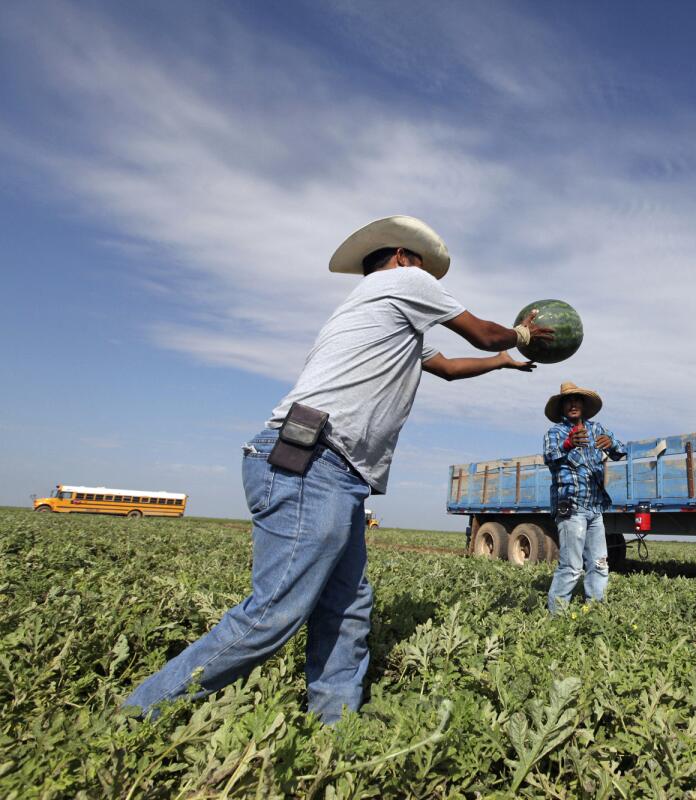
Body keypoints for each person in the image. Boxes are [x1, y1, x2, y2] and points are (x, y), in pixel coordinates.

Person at [124, 215, 551, 724]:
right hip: (312, 460)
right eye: (425, 268)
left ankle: (334, 727)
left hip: (329, 468)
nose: (431, 279)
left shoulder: (383, 317)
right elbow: (480, 333)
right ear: (402, 258)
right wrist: (524, 334)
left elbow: (451, 366)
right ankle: (134, 717)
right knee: (271, 615)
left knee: (348, 606)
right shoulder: (404, 285)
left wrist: (503, 362)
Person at [543, 382, 626, 614]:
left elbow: (620, 450)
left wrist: (612, 444)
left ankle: (595, 610)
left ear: (583, 405)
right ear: (562, 408)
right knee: (571, 566)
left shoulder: (597, 429)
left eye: (577, 400)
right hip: (571, 506)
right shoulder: (555, 433)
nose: (573, 404)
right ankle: (556, 617)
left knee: (600, 563)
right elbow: (549, 457)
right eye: (568, 401)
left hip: (595, 507)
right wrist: (568, 444)